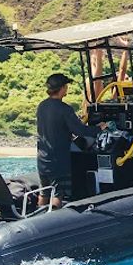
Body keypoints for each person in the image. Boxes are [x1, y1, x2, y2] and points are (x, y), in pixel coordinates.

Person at [36, 72, 99, 202]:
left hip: (42, 159)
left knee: (45, 192)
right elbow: (80, 131)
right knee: (59, 193)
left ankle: (40, 215)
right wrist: (99, 129)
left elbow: (55, 127)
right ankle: (55, 220)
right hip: (58, 160)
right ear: (63, 88)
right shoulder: (65, 109)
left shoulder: (41, 106)